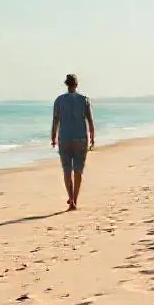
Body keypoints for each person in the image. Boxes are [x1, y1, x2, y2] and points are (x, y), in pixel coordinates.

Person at [51, 74, 95, 211]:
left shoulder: (59, 100)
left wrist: (53, 137)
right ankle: (74, 199)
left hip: (64, 138)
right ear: (76, 84)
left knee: (66, 170)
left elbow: (55, 120)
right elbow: (90, 120)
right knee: (78, 170)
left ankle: (70, 199)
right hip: (80, 138)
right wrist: (92, 136)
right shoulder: (84, 100)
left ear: (66, 84)